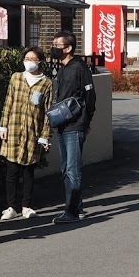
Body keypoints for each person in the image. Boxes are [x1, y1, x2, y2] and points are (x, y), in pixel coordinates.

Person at [0, 46, 53, 221]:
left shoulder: (46, 83)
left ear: (40, 62)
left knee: (28, 172)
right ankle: (11, 207)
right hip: (14, 129)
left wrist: (45, 136)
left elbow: (48, 112)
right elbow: (8, 102)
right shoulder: (16, 78)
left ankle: (26, 206)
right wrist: (3, 126)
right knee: (11, 172)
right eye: (26, 59)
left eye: (33, 59)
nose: (29, 62)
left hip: (32, 133)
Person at [50, 31, 96, 226]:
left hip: (75, 125)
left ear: (68, 48)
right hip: (62, 124)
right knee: (65, 168)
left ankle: (71, 211)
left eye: (57, 45)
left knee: (72, 169)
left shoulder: (80, 67)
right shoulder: (61, 69)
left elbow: (90, 96)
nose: (53, 48)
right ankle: (77, 207)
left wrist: (86, 122)